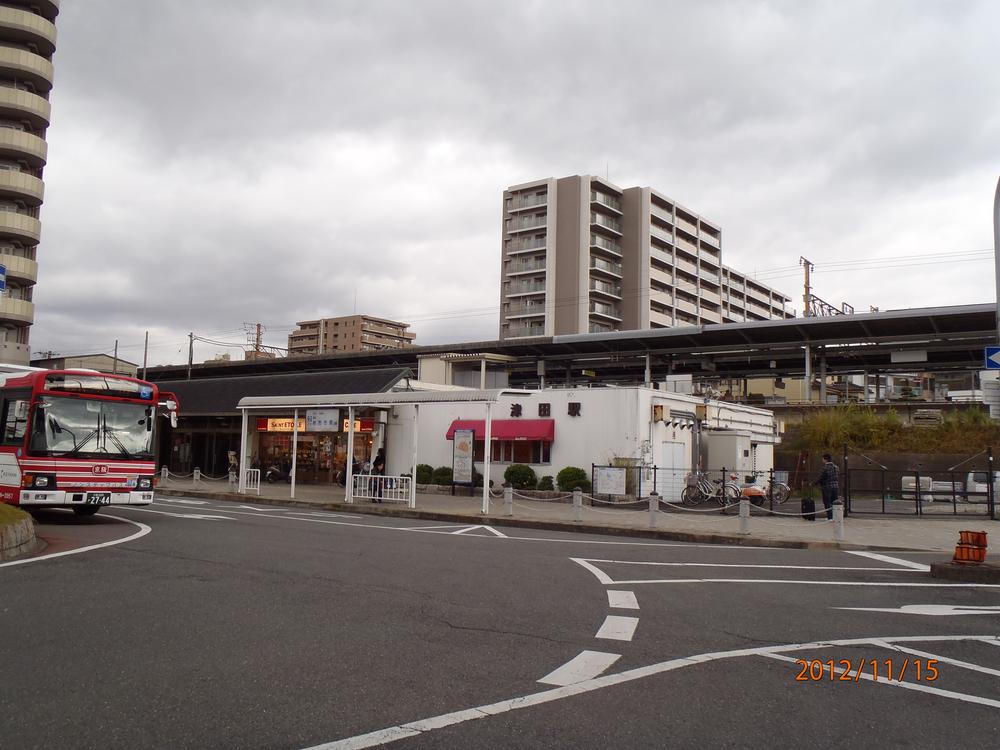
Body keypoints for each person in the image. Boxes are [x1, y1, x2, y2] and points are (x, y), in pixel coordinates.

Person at [814, 453, 839, 521]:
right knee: (835, 502)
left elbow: (821, 478)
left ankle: (830, 517)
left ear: (825, 459)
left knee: (827, 502)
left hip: (827, 487)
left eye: (823, 459)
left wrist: (814, 483)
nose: (822, 460)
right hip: (835, 486)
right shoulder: (836, 467)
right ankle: (836, 517)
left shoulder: (825, 468)